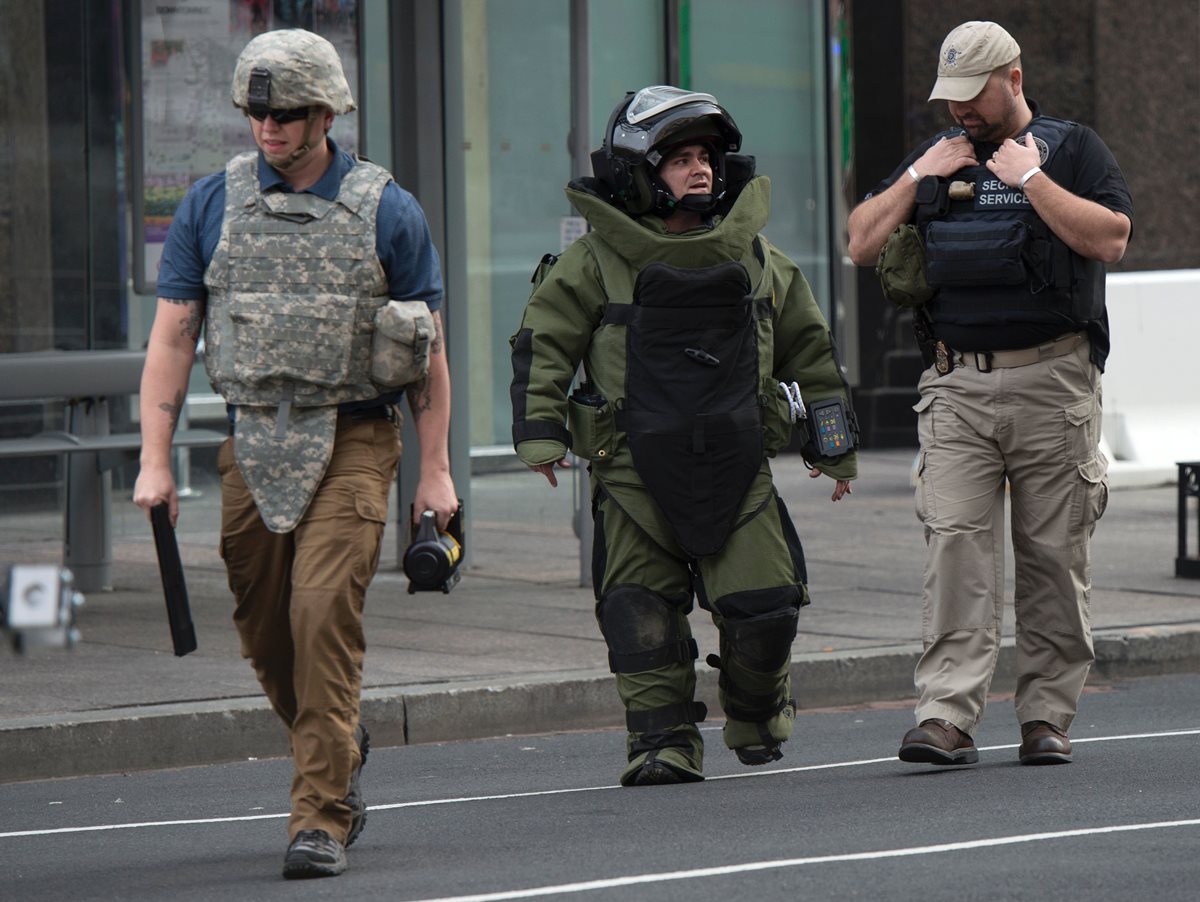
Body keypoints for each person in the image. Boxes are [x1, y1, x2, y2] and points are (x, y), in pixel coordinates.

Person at [133, 29, 457, 878]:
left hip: (353, 434)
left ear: (325, 113)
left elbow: (429, 351)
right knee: (264, 627)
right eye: (255, 111)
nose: (266, 127)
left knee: (320, 614)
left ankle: (320, 814)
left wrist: (434, 470)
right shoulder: (210, 204)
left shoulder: (388, 208)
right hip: (252, 436)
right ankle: (340, 740)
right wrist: (154, 458)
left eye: (283, 113)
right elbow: (172, 340)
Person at [510, 86, 858, 786]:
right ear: (638, 174)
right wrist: (541, 434)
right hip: (632, 474)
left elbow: (812, 355)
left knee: (766, 611)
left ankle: (757, 712)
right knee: (639, 619)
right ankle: (661, 744)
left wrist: (834, 446)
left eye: (704, 157)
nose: (698, 170)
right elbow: (543, 345)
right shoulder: (595, 263)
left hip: (739, 468)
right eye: (678, 159)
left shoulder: (759, 260)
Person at [846, 21, 1132, 767]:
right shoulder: (937, 156)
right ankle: (946, 715)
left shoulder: (1072, 149)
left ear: (1013, 77)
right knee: (956, 552)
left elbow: (1109, 239)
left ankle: (1046, 716)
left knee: (1052, 558)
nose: (961, 112)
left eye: (973, 96)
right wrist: (916, 178)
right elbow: (860, 242)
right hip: (954, 386)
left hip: (1052, 380)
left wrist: (1030, 180)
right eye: (951, 98)